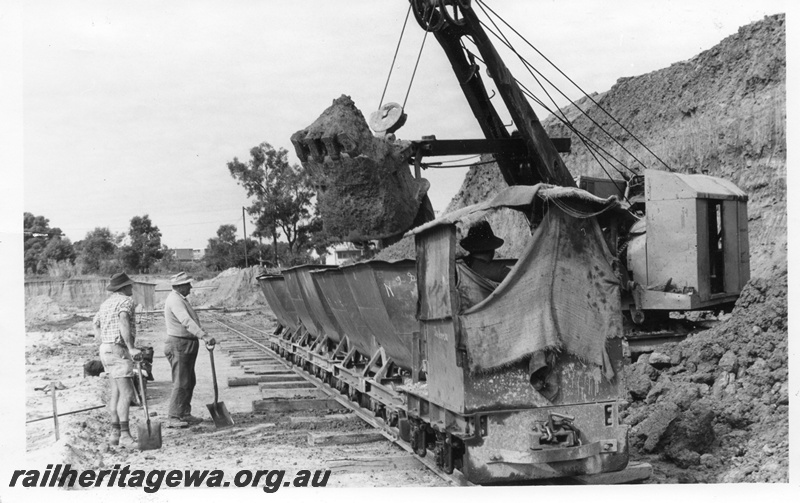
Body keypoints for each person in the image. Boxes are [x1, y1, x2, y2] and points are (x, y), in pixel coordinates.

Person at [93, 272, 141, 447]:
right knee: (127, 393)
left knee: (116, 392)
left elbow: (95, 323)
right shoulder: (125, 302)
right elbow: (123, 322)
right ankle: (126, 436)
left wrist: (103, 340)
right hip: (118, 348)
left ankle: (115, 434)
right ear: (123, 287)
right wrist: (131, 348)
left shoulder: (105, 304)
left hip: (105, 348)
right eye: (130, 285)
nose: (132, 288)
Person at [163, 272, 215, 425]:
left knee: (189, 381)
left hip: (185, 343)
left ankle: (184, 413)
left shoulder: (180, 299)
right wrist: (203, 336)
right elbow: (186, 321)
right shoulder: (175, 300)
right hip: (179, 344)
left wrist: (201, 333)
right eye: (187, 284)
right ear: (179, 286)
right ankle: (174, 416)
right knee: (181, 381)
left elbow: (190, 320)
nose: (190, 287)